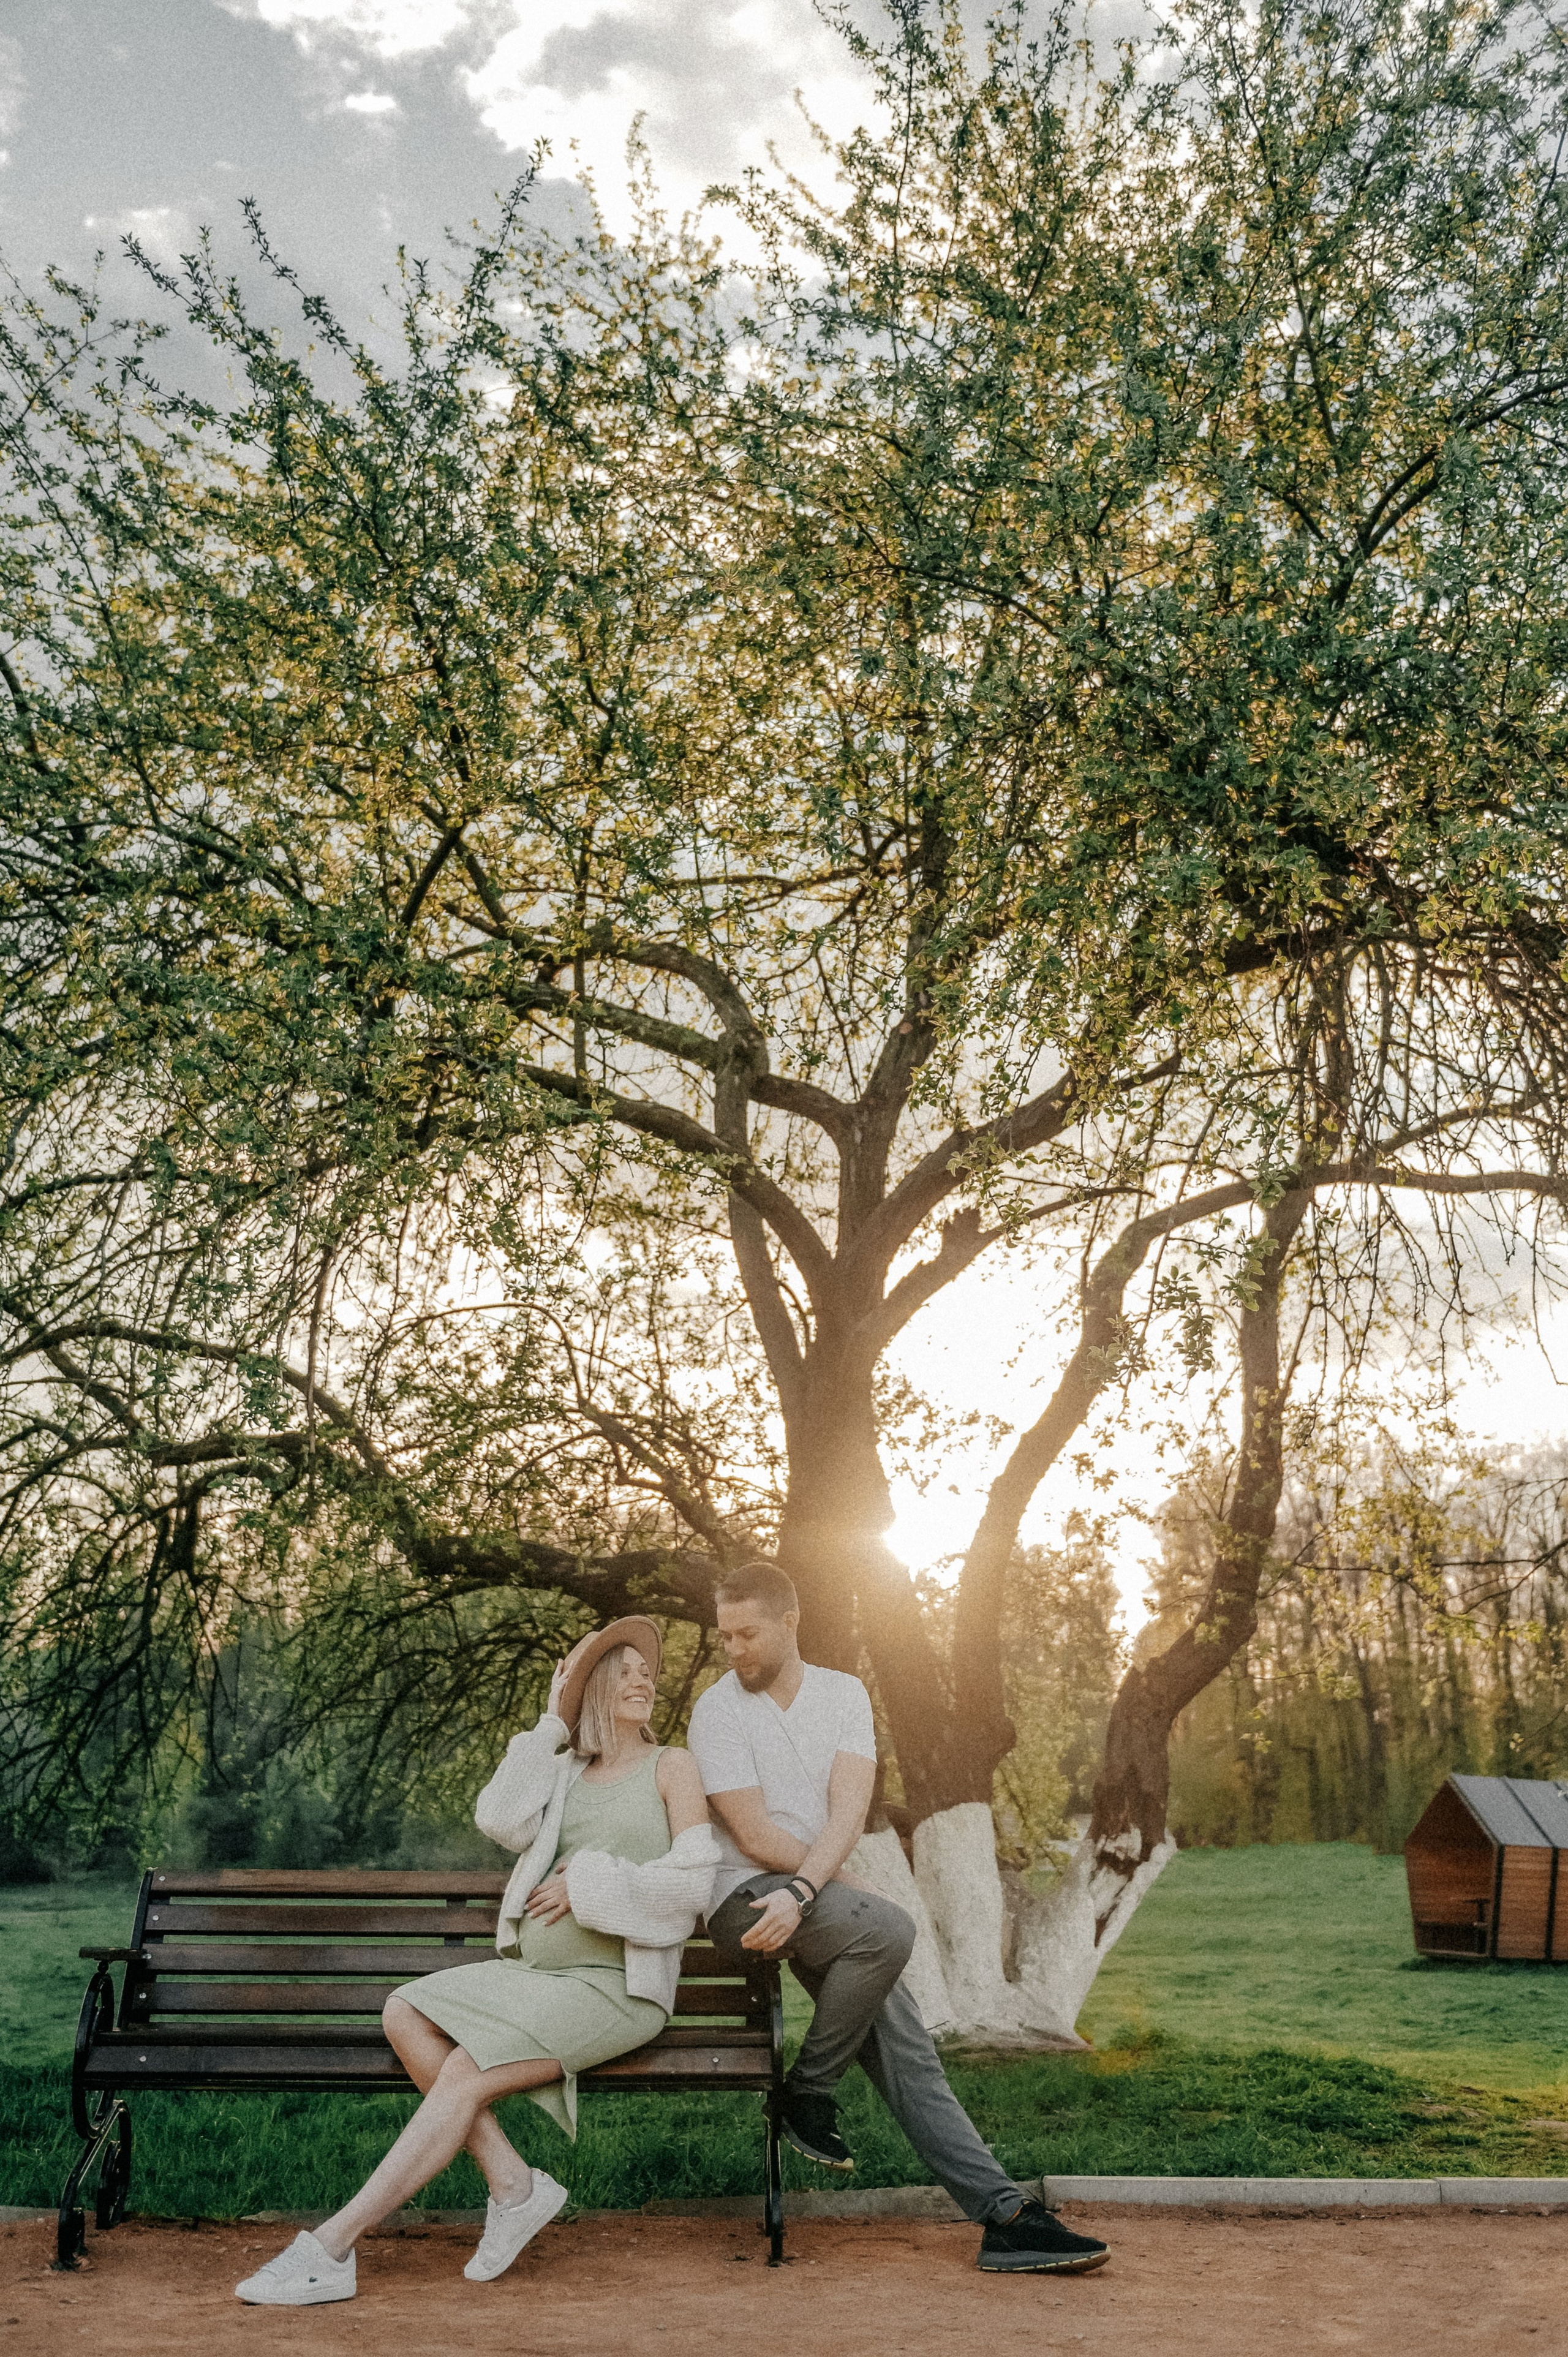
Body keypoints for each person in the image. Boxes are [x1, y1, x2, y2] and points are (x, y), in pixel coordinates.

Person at [235, 1617, 717, 2307]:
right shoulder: (563, 1770)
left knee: (463, 2075)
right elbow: (498, 1818)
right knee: (404, 2009)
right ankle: (514, 2185)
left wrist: (589, 1879)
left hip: (616, 1987)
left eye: (649, 1669)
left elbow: (695, 1882)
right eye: (625, 1667)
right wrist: (549, 1727)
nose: (644, 1678)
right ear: (589, 1687)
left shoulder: (674, 1766)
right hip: (535, 1977)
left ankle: (332, 2246)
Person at [688, 1561, 1110, 2277]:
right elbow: (753, 1834)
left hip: (812, 1896)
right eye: (725, 1635)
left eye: (747, 1633)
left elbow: (851, 1809)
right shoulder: (717, 1709)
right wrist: (808, 1886)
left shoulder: (843, 1695)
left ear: (791, 1622)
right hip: (744, 1900)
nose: (734, 1649)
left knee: (908, 2050)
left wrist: (813, 1885)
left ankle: (1005, 2215)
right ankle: (809, 2094)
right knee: (888, 1927)